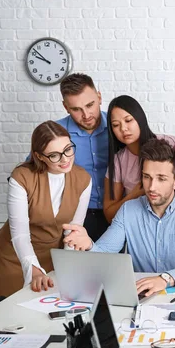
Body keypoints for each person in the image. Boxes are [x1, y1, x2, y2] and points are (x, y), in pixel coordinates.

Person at [63, 138, 175, 295]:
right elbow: (105, 253)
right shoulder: (128, 210)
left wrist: (165, 279)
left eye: (161, 178)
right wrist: (89, 245)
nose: (152, 187)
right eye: (147, 177)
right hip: (141, 296)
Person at [0, 121, 91, 298]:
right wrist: (33, 268)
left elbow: (72, 232)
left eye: (68, 149)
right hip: (14, 260)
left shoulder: (83, 179)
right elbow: (19, 234)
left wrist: (66, 270)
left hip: (53, 260)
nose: (65, 159)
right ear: (40, 156)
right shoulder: (21, 178)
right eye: (54, 155)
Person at [103, 95, 175, 223]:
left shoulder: (173, 144)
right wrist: (135, 194)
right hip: (142, 228)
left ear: (140, 118)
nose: (123, 128)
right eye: (116, 125)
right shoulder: (118, 161)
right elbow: (109, 214)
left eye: (128, 120)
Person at [56, 73, 109, 241]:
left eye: (90, 105)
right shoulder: (56, 132)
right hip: (74, 216)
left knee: (117, 266)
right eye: (76, 109)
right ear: (66, 107)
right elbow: (31, 173)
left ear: (99, 97)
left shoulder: (119, 126)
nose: (86, 115)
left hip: (116, 214)